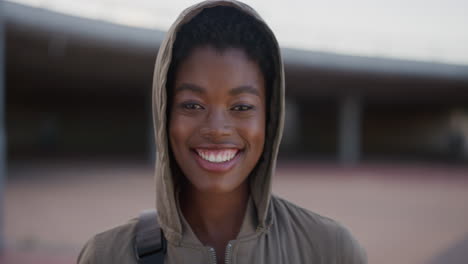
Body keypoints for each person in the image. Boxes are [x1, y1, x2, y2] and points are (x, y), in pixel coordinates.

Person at [78, 1, 367, 263]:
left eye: (241, 107)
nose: (216, 129)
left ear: (270, 118)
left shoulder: (330, 250)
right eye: (192, 104)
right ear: (164, 113)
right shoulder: (107, 255)